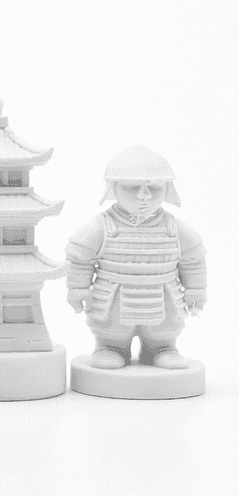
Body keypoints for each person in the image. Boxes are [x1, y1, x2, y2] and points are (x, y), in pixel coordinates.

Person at [65, 145, 207, 369]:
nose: (144, 196)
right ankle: (109, 348)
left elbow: (194, 259)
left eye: (154, 187)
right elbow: (80, 258)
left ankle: (163, 349)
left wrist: (196, 289)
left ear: (168, 188)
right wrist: (78, 288)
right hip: (114, 295)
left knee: (164, 329)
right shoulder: (102, 226)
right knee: (112, 329)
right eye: (132, 187)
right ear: (113, 188)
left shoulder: (174, 228)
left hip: (163, 294)